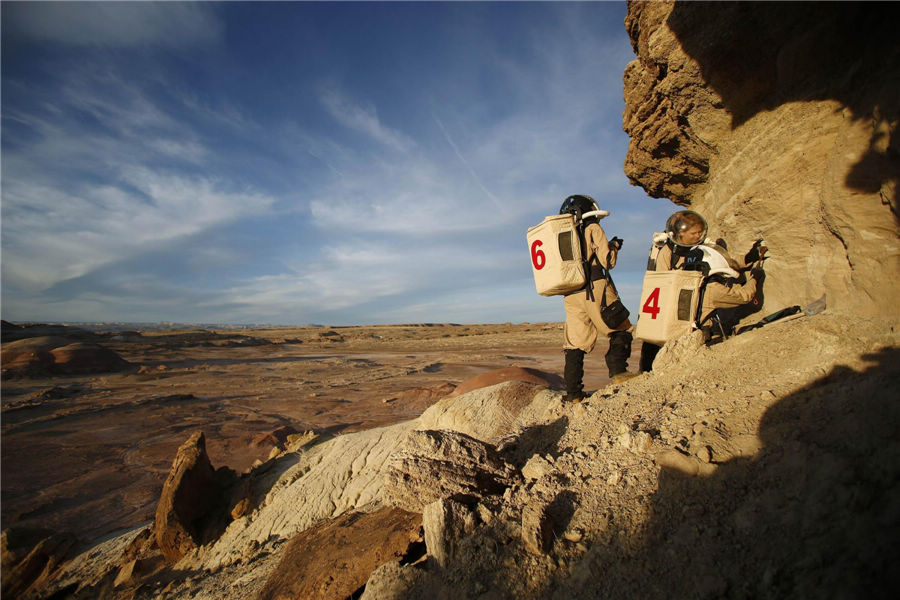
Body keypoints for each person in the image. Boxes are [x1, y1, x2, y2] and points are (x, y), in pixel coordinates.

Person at [639, 210, 765, 372]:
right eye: (693, 233)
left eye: (700, 232)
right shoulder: (668, 252)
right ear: (681, 232)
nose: (697, 236)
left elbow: (723, 262)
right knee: (655, 342)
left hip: (694, 292)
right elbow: (664, 282)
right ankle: (646, 372)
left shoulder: (700, 248)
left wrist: (748, 259)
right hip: (673, 302)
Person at [560, 195, 636, 403]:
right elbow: (607, 260)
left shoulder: (563, 235)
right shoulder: (592, 228)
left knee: (574, 343)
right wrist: (614, 246)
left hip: (571, 293)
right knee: (621, 327)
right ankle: (619, 372)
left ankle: (574, 393)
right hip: (594, 287)